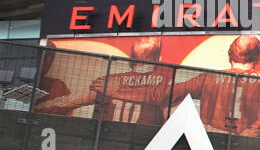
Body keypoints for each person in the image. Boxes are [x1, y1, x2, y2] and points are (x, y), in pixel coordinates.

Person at [171, 35, 260, 138]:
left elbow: (168, 94)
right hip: (253, 144)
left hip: (212, 140)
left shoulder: (209, 78)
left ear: (229, 55)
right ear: (259, 57)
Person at [38, 36, 174, 125]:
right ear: (159, 59)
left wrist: (38, 107)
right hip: (144, 147)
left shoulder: (109, 81)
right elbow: (173, 119)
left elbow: (68, 102)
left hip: (105, 142)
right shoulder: (164, 86)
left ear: (131, 58)